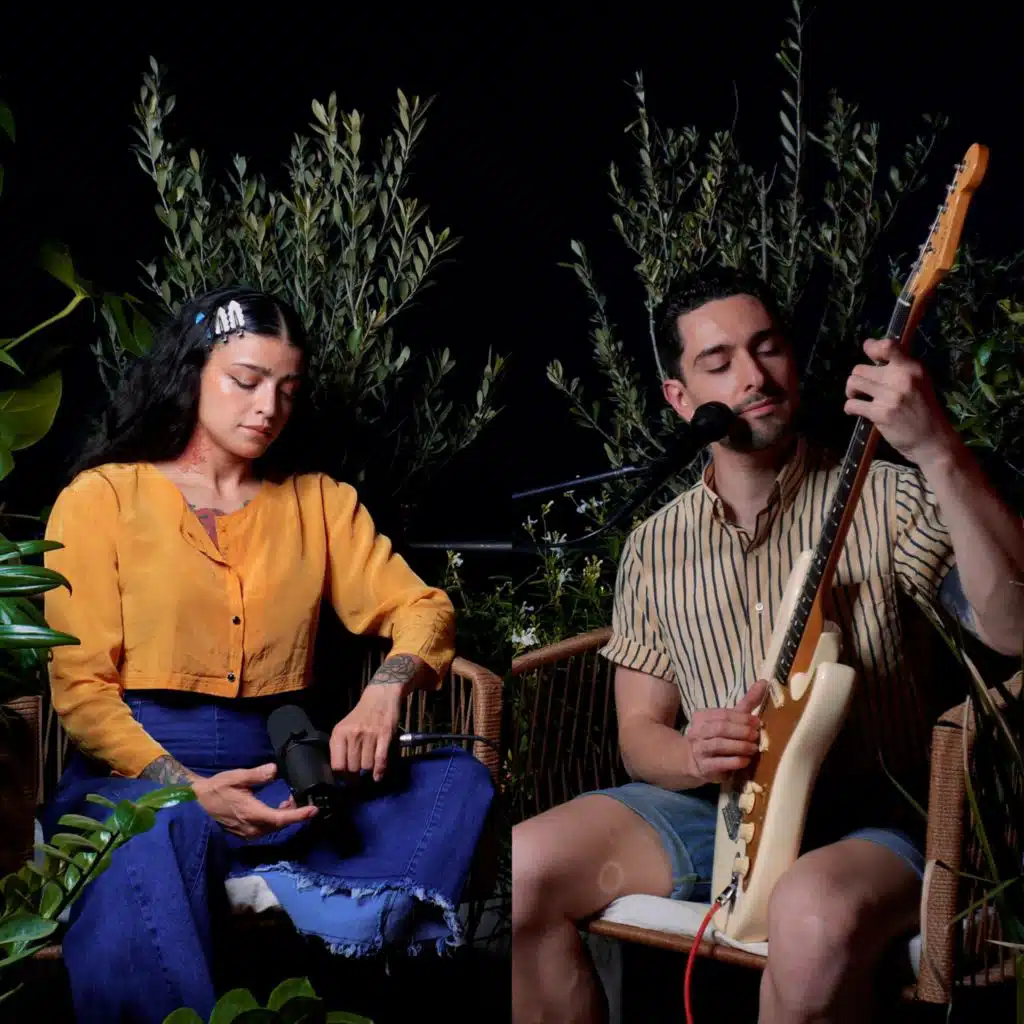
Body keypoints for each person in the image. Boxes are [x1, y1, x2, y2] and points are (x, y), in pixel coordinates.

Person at [511, 266, 1024, 1023]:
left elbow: (1013, 629)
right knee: (522, 868)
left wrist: (940, 450)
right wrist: (693, 755)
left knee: (808, 919)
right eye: (718, 363)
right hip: (721, 815)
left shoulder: (888, 497)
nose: (753, 377)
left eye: (767, 348)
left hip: (875, 819)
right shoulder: (654, 545)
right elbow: (639, 732)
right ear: (681, 400)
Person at [41, 285, 494, 1023]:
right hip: (137, 779)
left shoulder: (319, 502)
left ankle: (312, 892)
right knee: (156, 829)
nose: (268, 407)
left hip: (280, 776)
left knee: (457, 777)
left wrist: (385, 688)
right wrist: (191, 788)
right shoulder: (102, 499)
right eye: (246, 381)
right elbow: (82, 689)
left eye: (287, 388)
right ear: (192, 372)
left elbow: (423, 608)